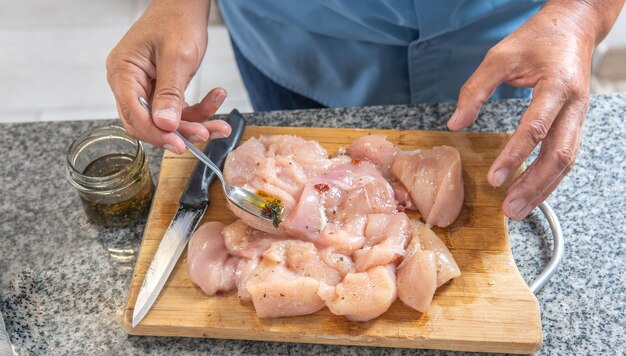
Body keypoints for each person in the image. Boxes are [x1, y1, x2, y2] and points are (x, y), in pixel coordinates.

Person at [106, 0, 624, 220]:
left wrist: (582, 13)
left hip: (504, 41)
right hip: (301, 33)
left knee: (490, 164)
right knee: (297, 161)